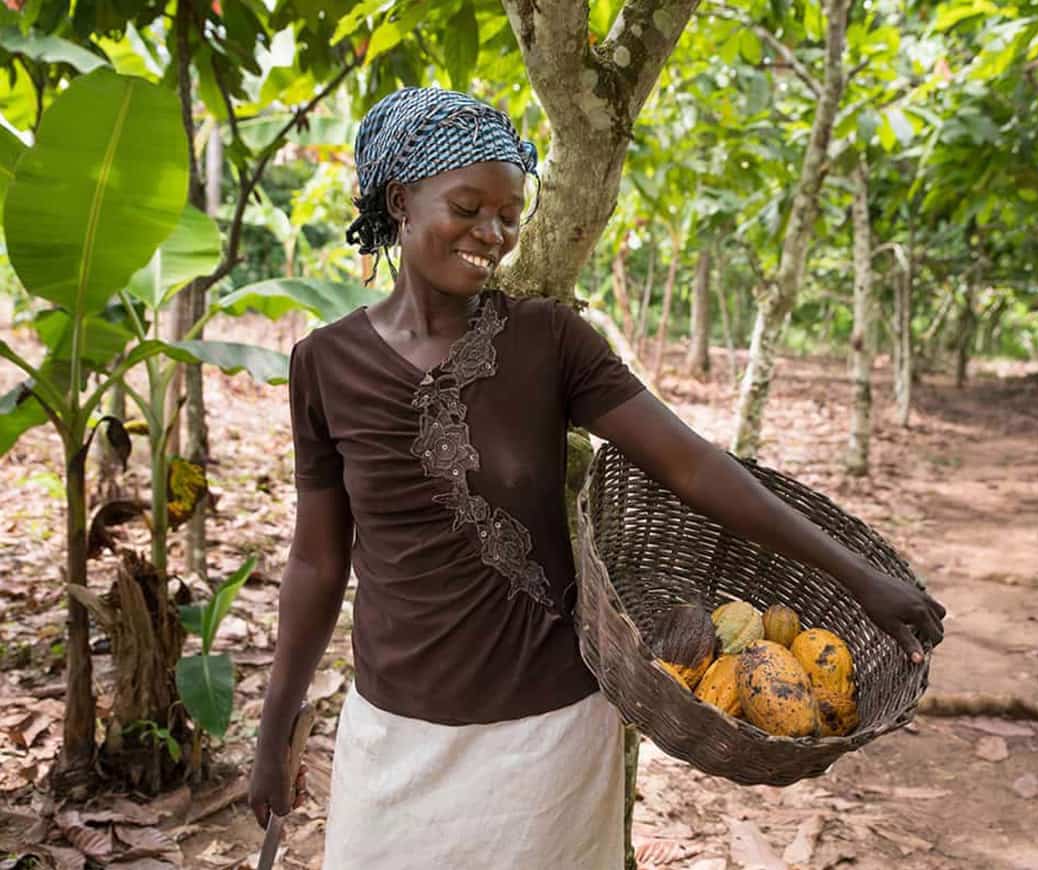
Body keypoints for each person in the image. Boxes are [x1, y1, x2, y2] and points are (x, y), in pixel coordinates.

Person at [248, 87, 946, 869]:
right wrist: (274, 730)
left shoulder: (550, 341)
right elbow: (316, 560)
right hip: (395, 729)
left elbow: (693, 464)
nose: (493, 234)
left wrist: (857, 578)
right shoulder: (325, 364)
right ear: (400, 199)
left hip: (545, 736)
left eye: (510, 215)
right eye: (469, 206)